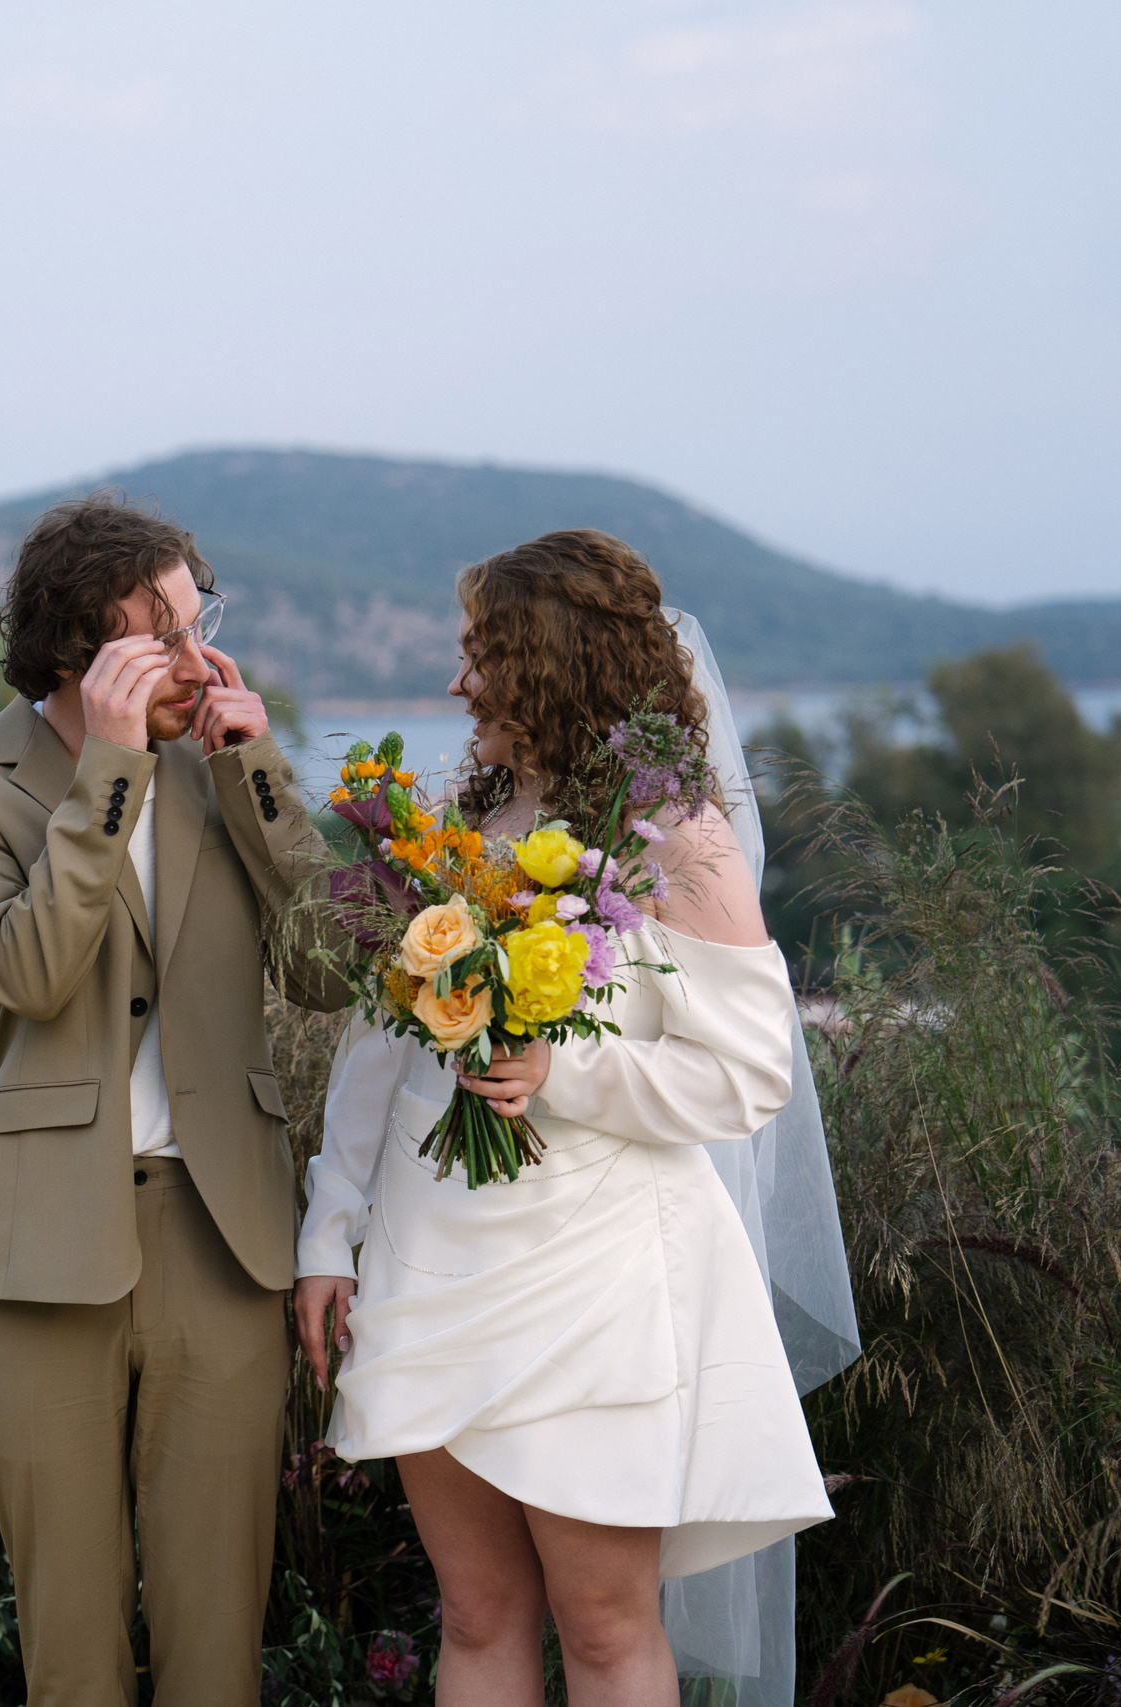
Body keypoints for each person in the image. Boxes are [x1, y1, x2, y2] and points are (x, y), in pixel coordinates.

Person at [291, 530, 858, 1707]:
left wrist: (563, 1073)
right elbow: (376, 1049)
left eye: (480, 654)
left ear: (547, 664)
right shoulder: (459, 822)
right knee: (476, 1611)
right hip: (429, 1256)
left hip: (592, 1280)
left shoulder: (676, 841)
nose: (458, 684)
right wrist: (327, 1230)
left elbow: (750, 1075)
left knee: (602, 1626)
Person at [0, 494, 350, 1707]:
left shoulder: (223, 769)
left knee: (216, 1639)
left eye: (201, 628)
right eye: (163, 640)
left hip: (223, 1236)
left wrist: (251, 772)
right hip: (43, 1246)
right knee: (74, 1643)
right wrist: (111, 773)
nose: (198, 663)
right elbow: (33, 973)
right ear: (74, 653)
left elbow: (326, 972)